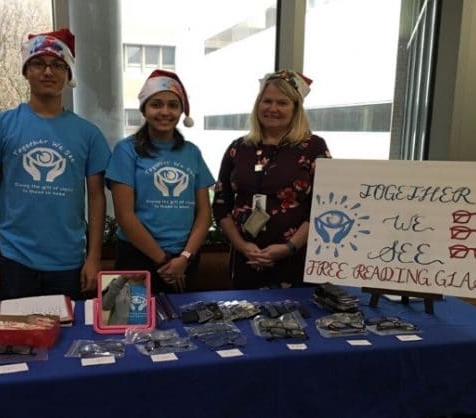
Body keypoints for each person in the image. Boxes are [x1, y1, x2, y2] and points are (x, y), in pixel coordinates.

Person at [0, 28, 111, 301]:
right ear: (26, 71)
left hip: (69, 263)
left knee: (69, 340)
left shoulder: (89, 134)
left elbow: (96, 198)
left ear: (68, 74)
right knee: (18, 341)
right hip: (14, 262)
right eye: (39, 63)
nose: (48, 72)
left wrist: (94, 258)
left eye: (58, 65)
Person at [212, 69, 331, 289]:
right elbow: (220, 204)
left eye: (282, 103)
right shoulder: (238, 148)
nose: (273, 108)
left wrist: (289, 247)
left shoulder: (314, 147)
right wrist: (242, 245)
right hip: (246, 259)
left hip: (296, 258)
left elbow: (322, 207)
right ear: (258, 105)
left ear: (295, 109)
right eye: (267, 101)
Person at [106, 69, 214, 293]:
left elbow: (204, 213)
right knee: (133, 325)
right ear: (144, 109)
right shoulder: (126, 150)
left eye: (173, 105)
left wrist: (184, 257)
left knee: (182, 324)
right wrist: (164, 261)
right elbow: (125, 216)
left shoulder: (192, 152)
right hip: (138, 256)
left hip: (184, 258)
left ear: (181, 110)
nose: (165, 112)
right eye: (156, 104)